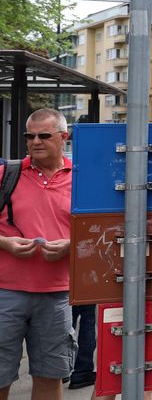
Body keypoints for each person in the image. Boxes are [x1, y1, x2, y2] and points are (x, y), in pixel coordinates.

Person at [0, 108, 74, 400]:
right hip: (5, 292)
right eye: (30, 136)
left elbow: (99, 232)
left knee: (50, 374)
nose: (35, 142)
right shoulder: (7, 173)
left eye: (44, 135)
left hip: (58, 294)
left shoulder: (80, 178)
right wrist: (5, 243)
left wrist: (71, 244)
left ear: (63, 137)